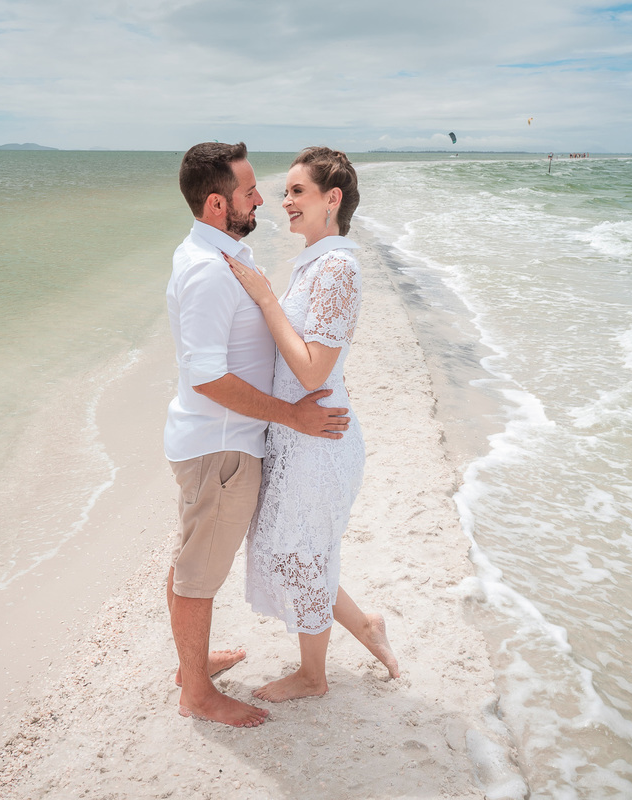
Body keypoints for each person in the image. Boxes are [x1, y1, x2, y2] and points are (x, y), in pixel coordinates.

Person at [164, 142, 351, 728]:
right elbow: (206, 376)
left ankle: (192, 664)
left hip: (219, 444)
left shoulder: (218, 258)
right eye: (250, 193)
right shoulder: (209, 272)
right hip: (221, 446)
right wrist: (291, 415)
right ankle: (196, 691)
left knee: (193, 557)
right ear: (218, 204)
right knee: (198, 575)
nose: (262, 201)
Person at [225, 147, 400, 702]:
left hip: (318, 438)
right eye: (287, 192)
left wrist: (264, 297)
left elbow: (311, 368)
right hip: (297, 435)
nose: (285, 201)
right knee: (297, 549)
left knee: (303, 553)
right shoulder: (316, 262)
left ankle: (313, 676)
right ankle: (367, 626)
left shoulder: (339, 268)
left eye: (298, 191)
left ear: (333, 199)